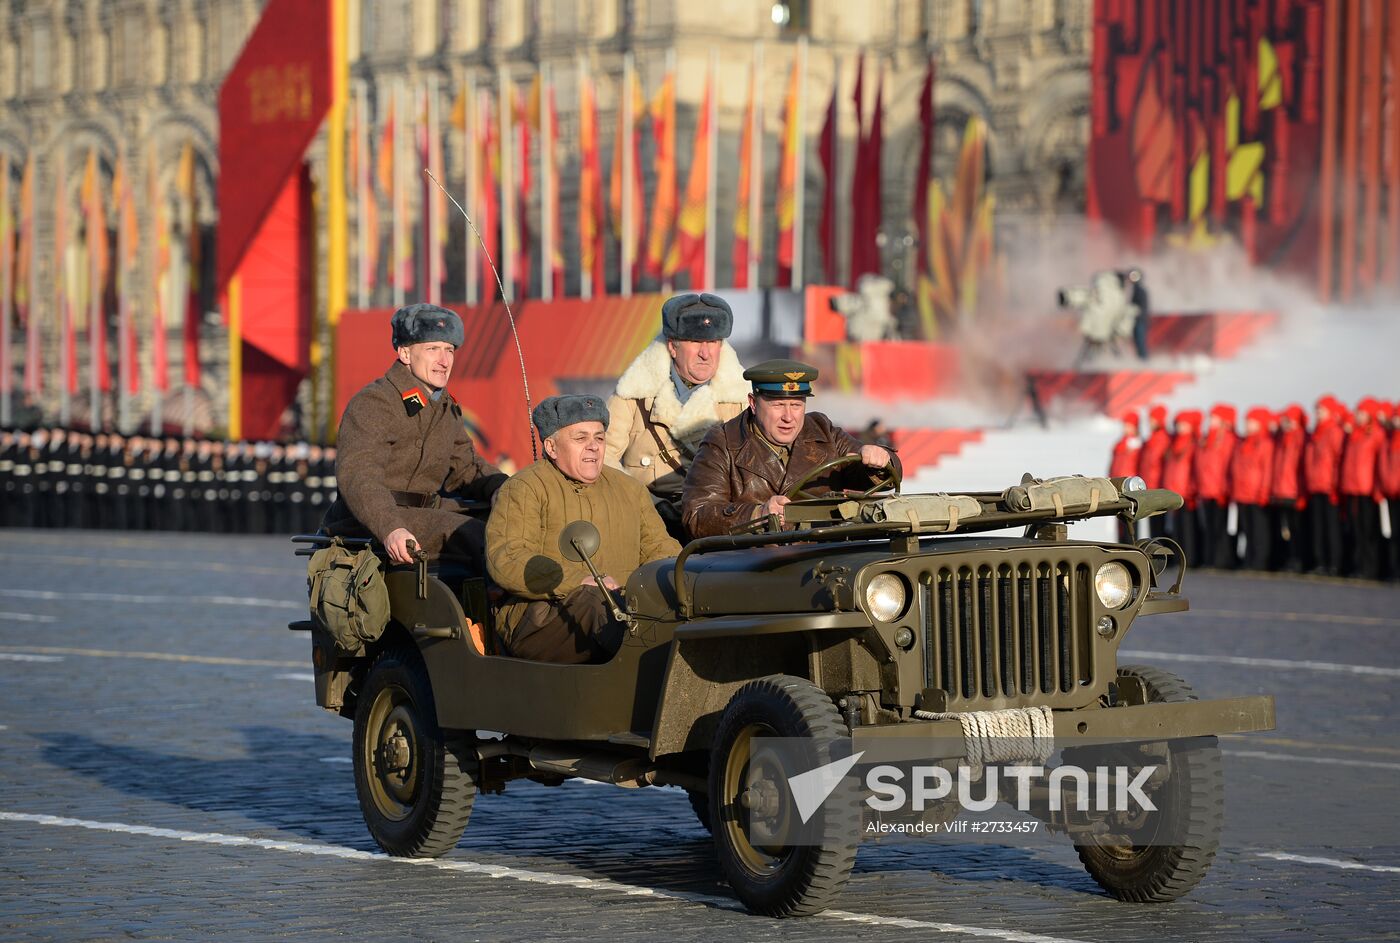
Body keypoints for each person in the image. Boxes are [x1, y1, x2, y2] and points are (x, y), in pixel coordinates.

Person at [486, 395, 680, 664]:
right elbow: (508, 559)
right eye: (580, 438)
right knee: (593, 602)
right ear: (551, 447)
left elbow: (661, 550)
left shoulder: (630, 489)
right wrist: (577, 581)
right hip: (542, 618)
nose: (593, 447)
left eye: (599, 438)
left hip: (625, 610)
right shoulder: (525, 488)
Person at [322, 303, 507, 564]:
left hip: (425, 513)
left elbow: (467, 469)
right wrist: (391, 527)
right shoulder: (375, 402)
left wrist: (507, 489)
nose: (444, 361)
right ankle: (494, 599)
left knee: (510, 528)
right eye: (432, 349)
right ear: (405, 353)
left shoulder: (444, 406)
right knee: (472, 534)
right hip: (372, 520)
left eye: (449, 350)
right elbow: (359, 475)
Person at [681, 359, 898, 539]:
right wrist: (758, 513)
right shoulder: (723, 443)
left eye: (796, 405)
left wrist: (879, 460)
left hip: (824, 555)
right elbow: (697, 516)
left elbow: (886, 472)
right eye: (778, 405)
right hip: (752, 563)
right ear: (753, 403)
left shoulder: (823, 431)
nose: (788, 417)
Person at [605, 292, 748, 539]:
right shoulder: (632, 395)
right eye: (695, 342)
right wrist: (647, 504)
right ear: (672, 346)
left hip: (716, 524)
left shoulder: (741, 399)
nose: (706, 353)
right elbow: (604, 457)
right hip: (646, 521)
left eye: (713, 342)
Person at [1339, 398, 1384, 580]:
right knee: (1356, 530)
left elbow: (1379, 464)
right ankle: (1359, 566)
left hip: (1368, 491)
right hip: (1352, 489)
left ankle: (1371, 568)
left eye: (1362, 412)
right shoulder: (1354, 435)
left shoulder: (1376, 434)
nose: (1358, 416)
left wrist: (1378, 488)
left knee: (1369, 531)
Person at [1304, 396, 1345, 575]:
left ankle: (1335, 563)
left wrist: (1335, 486)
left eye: (1321, 410)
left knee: (1331, 527)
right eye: (1317, 410)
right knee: (1318, 527)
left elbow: (1338, 461)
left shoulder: (1334, 431)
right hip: (1315, 486)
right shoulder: (1316, 433)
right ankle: (1321, 561)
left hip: (1329, 488)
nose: (1318, 413)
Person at [1230, 407, 1275, 570]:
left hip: (1256, 494)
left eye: (1252, 422)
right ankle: (1249, 559)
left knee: (1259, 530)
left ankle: (1260, 561)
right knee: (1247, 529)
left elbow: (1267, 469)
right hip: (1243, 494)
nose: (1248, 425)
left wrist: (1264, 492)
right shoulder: (1243, 443)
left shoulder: (1265, 443)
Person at [1194, 404, 1237, 568]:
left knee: (1221, 528)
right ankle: (1211, 558)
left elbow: (1228, 466)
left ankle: (1222, 560)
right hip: (1206, 490)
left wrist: (1225, 488)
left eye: (1214, 418)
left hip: (1220, 491)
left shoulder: (1227, 439)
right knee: (1210, 527)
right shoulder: (1206, 439)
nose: (1211, 421)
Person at [1269, 404, 1308, 572]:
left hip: (1294, 491)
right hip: (1281, 491)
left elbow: (1302, 468)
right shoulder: (1281, 439)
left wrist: (1302, 493)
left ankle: (1299, 559)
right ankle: (1288, 558)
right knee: (1285, 529)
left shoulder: (1300, 439)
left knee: (1298, 529)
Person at [1161, 410, 1200, 564]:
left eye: (1184, 424)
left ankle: (1189, 559)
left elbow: (1195, 470)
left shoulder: (1193, 444)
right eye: (1179, 424)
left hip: (1187, 493)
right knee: (1177, 529)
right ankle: (1178, 558)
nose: (1180, 428)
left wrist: (1192, 489)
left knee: (1189, 529)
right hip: (1174, 491)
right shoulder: (1174, 444)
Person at [1108, 410, 1141, 543]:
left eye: (1129, 425)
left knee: (1130, 521)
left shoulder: (1136, 443)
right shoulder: (1121, 443)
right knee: (1120, 521)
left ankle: (1131, 546)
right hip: (1118, 486)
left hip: (1130, 487)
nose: (1126, 428)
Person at [1138, 405, 1171, 537]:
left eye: (1153, 420)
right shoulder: (1151, 439)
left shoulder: (1163, 439)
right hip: (1151, 487)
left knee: (1160, 526)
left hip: (1159, 488)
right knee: (1153, 526)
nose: (1150, 423)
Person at [1123, 268, 1151, 361]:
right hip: (1138, 320)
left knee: (1140, 342)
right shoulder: (1137, 290)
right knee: (1138, 342)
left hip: (1139, 320)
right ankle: (1142, 359)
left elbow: (1140, 307)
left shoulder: (1139, 290)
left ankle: (1143, 360)